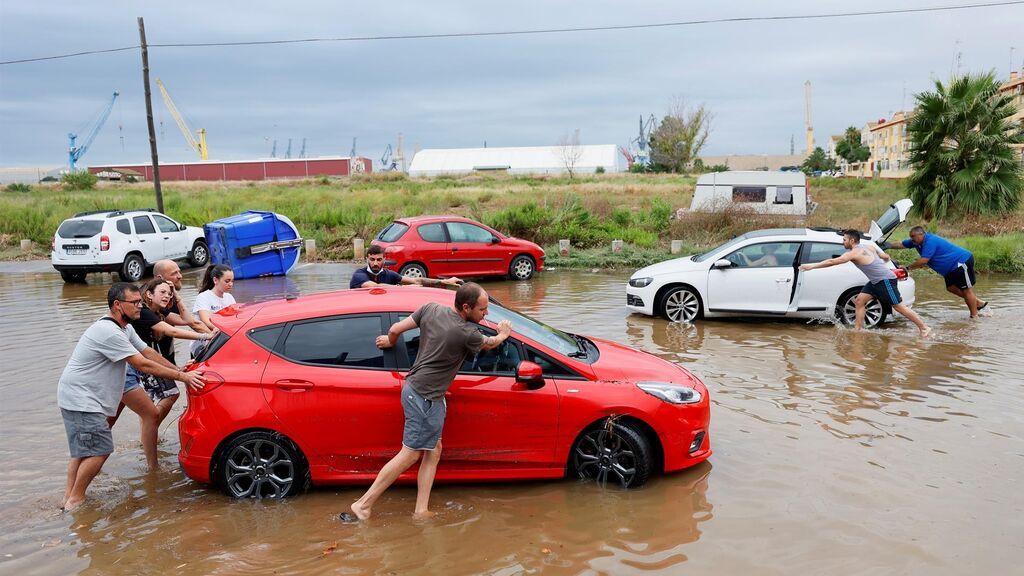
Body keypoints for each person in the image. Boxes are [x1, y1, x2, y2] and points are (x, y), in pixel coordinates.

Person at [346, 282, 512, 521]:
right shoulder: (467, 333)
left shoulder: (431, 308)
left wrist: (390, 341)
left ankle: (421, 510)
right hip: (424, 397)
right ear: (466, 308)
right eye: (482, 310)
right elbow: (490, 343)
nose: (486, 314)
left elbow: (395, 328)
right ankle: (363, 504)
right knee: (411, 453)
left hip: (424, 393)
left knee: (433, 450)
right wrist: (503, 333)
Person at [57, 283, 206, 511]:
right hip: (81, 398)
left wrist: (182, 372)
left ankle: (68, 499)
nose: (140, 306)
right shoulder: (108, 331)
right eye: (135, 303)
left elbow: (148, 352)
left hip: (80, 396)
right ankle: (76, 501)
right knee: (100, 450)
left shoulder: (124, 328)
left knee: (83, 450)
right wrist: (182, 377)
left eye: (140, 302)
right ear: (118, 305)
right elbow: (142, 364)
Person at [108, 277, 216, 469]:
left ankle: (138, 439)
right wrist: (206, 336)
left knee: (121, 413)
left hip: (143, 362)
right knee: (159, 404)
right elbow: (171, 333)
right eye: (163, 292)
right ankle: (149, 447)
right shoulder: (146, 314)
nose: (167, 296)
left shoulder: (160, 311)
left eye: (169, 292)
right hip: (136, 365)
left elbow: (186, 321)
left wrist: (178, 297)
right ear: (148, 295)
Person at [800, 229, 931, 338]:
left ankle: (924, 328)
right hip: (875, 281)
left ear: (852, 240)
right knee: (859, 301)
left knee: (898, 307)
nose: (843, 242)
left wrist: (811, 266)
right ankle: (858, 330)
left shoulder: (854, 253)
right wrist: (885, 258)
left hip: (885, 280)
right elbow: (884, 256)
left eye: (844, 239)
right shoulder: (869, 247)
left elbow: (832, 262)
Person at [884, 226, 988, 318]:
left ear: (921, 234)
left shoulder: (930, 241)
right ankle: (977, 302)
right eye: (911, 237)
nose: (912, 239)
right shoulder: (916, 242)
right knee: (951, 288)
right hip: (950, 269)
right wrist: (886, 245)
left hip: (961, 262)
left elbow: (924, 260)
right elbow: (901, 244)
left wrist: (907, 268)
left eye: (913, 236)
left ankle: (974, 317)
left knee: (967, 290)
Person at [350, 245, 463, 289]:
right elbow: (375, 287)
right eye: (372, 259)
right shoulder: (359, 275)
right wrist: (405, 288)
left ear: (384, 260)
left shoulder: (389, 274)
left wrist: (445, 282)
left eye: (379, 260)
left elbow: (416, 280)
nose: (375, 263)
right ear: (367, 259)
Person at [152, 259, 210, 337]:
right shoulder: (155, 301)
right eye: (174, 273)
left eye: (179, 271)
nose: (180, 276)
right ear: (159, 278)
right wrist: (214, 337)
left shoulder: (172, 297)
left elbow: (192, 322)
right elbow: (193, 324)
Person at [191, 264, 237, 356]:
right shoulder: (203, 297)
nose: (230, 284)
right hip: (204, 344)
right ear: (215, 280)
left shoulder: (229, 297)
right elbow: (206, 320)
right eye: (227, 281)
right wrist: (223, 332)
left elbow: (235, 318)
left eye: (232, 281)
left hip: (223, 341)